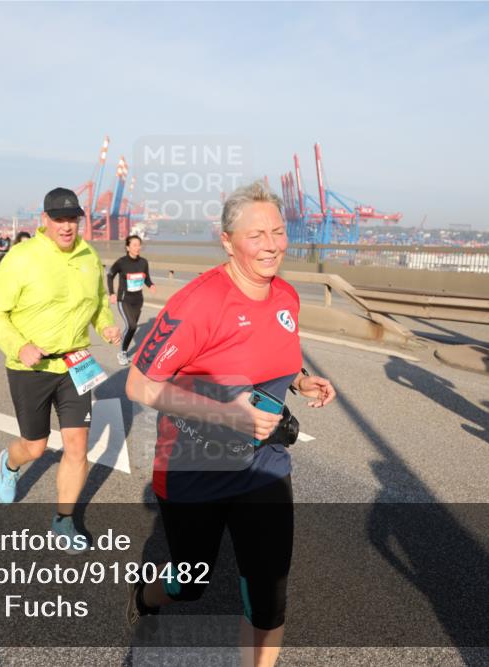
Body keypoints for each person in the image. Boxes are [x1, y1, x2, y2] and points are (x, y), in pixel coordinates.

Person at [123, 181, 336, 665]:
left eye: (278, 232)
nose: (272, 245)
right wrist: (228, 414)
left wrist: (302, 381)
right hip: (193, 467)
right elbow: (138, 385)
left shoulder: (285, 295)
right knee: (190, 585)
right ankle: (147, 596)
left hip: (264, 467)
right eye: (256, 235)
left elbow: (275, 353)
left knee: (268, 594)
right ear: (227, 241)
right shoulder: (199, 303)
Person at [0, 187, 121, 547]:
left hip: (76, 364)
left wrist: (105, 324)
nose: (66, 226)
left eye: (72, 219)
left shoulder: (89, 256)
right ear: (44, 220)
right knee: (36, 446)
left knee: (77, 447)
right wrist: (20, 345)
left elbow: (98, 304)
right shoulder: (22, 257)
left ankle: (63, 521)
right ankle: (10, 464)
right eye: (58, 219)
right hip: (31, 367)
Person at [108, 234, 156, 366]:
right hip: (124, 300)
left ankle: (121, 339)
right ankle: (122, 352)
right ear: (127, 247)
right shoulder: (121, 262)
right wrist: (112, 293)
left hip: (138, 300)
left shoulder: (143, 262)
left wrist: (151, 285)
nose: (137, 247)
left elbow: (146, 278)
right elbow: (110, 275)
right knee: (132, 325)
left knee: (132, 328)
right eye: (134, 245)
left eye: (139, 244)